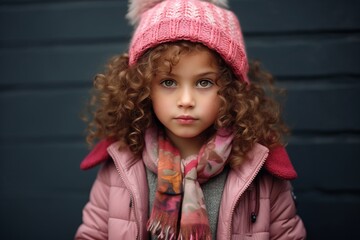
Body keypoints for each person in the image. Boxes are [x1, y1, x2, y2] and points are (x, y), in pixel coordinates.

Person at [75, 0, 306, 239]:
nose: (186, 100)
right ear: (143, 88)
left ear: (231, 89)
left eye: (204, 82)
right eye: (168, 82)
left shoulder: (259, 172)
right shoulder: (119, 168)